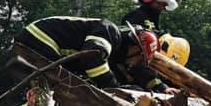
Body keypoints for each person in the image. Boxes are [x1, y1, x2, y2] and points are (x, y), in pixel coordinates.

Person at [13, 16, 171, 93]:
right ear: (136, 47)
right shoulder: (110, 32)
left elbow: (138, 73)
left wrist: (161, 87)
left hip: (42, 41)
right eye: (140, 58)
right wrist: (113, 89)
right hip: (40, 37)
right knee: (54, 90)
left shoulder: (115, 48)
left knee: (55, 90)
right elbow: (91, 57)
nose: (135, 63)